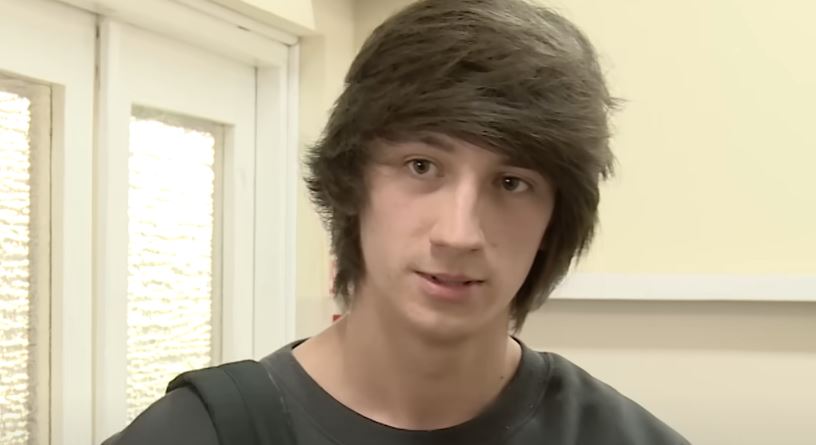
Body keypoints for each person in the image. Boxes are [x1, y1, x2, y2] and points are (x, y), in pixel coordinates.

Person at [104, 0, 689, 443]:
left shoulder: (617, 435)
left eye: (512, 183)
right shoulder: (204, 431)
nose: (458, 233)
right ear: (353, 182)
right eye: (421, 166)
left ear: (554, 221)